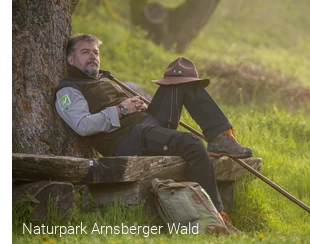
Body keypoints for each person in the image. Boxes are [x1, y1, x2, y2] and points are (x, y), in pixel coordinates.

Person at [55, 33, 253, 233]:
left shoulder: (104, 79)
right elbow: (82, 125)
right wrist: (121, 110)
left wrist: (135, 105)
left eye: (95, 52)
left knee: (181, 78)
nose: (93, 56)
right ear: (71, 60)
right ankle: (216, 218)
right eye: (85, 52)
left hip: (147, 125)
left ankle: (221, 136)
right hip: (129, 140)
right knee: (192, 144)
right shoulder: (69, 91)